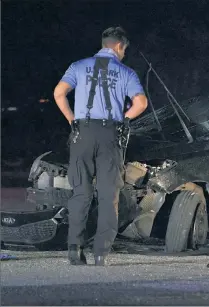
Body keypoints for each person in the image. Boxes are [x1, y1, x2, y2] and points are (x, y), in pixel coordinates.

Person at [53, 26, 148, 266]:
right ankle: (100, 253)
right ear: (118, 46)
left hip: (82, 133)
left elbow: (59, 93)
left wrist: (72, 120)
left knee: (80, 193)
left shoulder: (78, 66)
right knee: (108, 196)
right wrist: (125, 119)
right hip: (110, 134)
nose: (124, 54)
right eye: (124, 50)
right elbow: (141, 103)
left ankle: (75, 249)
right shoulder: (126, 72)